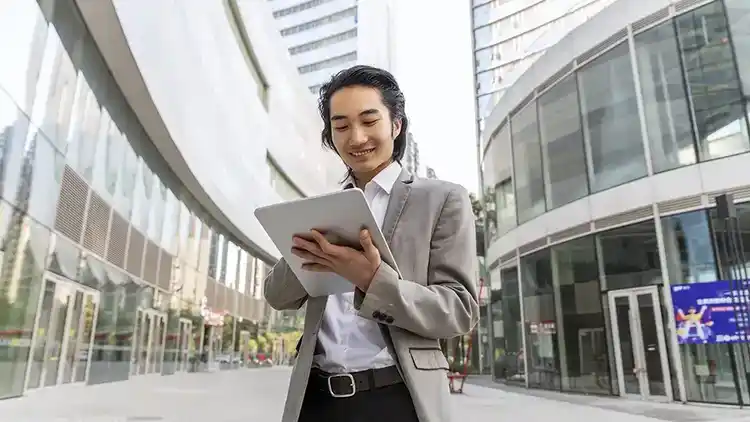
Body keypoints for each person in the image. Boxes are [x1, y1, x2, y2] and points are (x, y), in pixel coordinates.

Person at [263, 65, 479, 422]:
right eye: (342, 126)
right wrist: (306, 249)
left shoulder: (442, 199)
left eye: (369, 120)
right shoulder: (321, 210)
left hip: (396, 398)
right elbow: (276, 296)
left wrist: (371, 279)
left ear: (396, 125)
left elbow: (459, 310)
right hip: (316, 399)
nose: (356, 137)